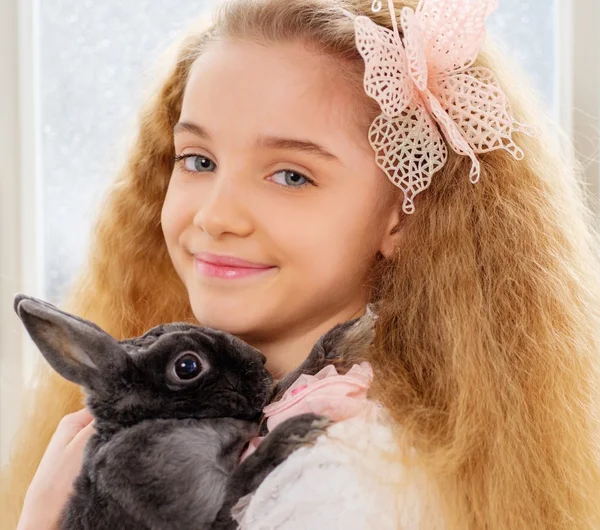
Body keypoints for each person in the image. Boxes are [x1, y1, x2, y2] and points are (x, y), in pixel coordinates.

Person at [3, 0, 600, 528]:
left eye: (291, 175)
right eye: (198, 160)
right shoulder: (229, 417)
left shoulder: (346, 482)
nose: (215, 216)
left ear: (404, 216)